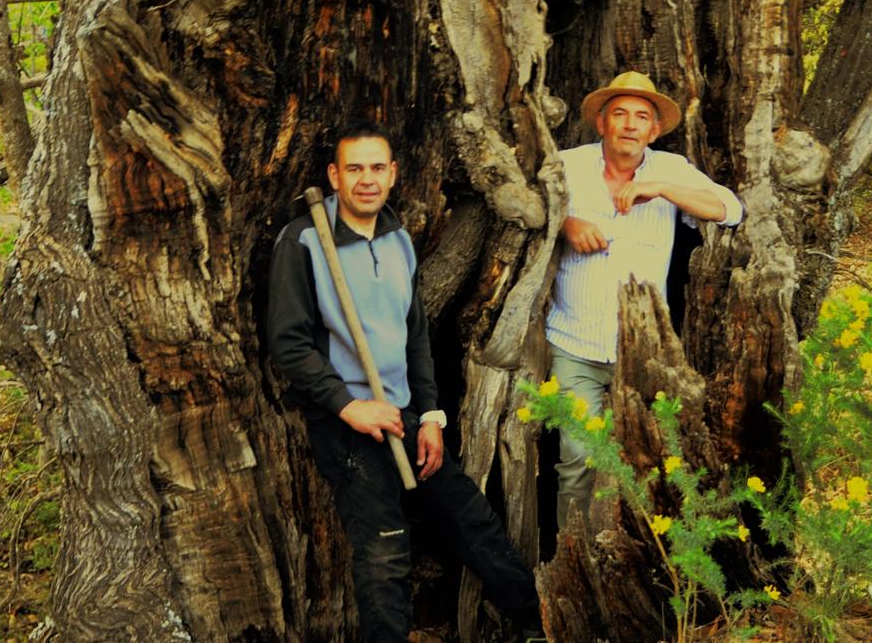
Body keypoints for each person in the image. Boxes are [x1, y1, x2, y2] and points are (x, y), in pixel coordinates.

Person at [268, 122, 541, 643]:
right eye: (354, 169)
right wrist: (350, 406)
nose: (366, 180)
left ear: (392, 174)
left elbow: (416, 334)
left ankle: (535, 625)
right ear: (334, 176)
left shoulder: (397, 237)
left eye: (376, 168)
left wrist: (432, 416)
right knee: (385, 554)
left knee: (471, 520)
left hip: (405, 416)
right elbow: (289, 344)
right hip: (347, 425)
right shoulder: (304, 240)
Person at [547, 72, 743, 526]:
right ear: (602, 123)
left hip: (644, 353)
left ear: (654, 131)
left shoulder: (671, 170)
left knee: (647, 462)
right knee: (577, 462)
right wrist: (567, 224)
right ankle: (578, 561)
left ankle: (635, 561)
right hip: (574, 345)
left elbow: (731, 210)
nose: (630, 125)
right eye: (620, 114)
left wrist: (661, 189)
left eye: (641, 117)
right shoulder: (566, 165)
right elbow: (531, 206)